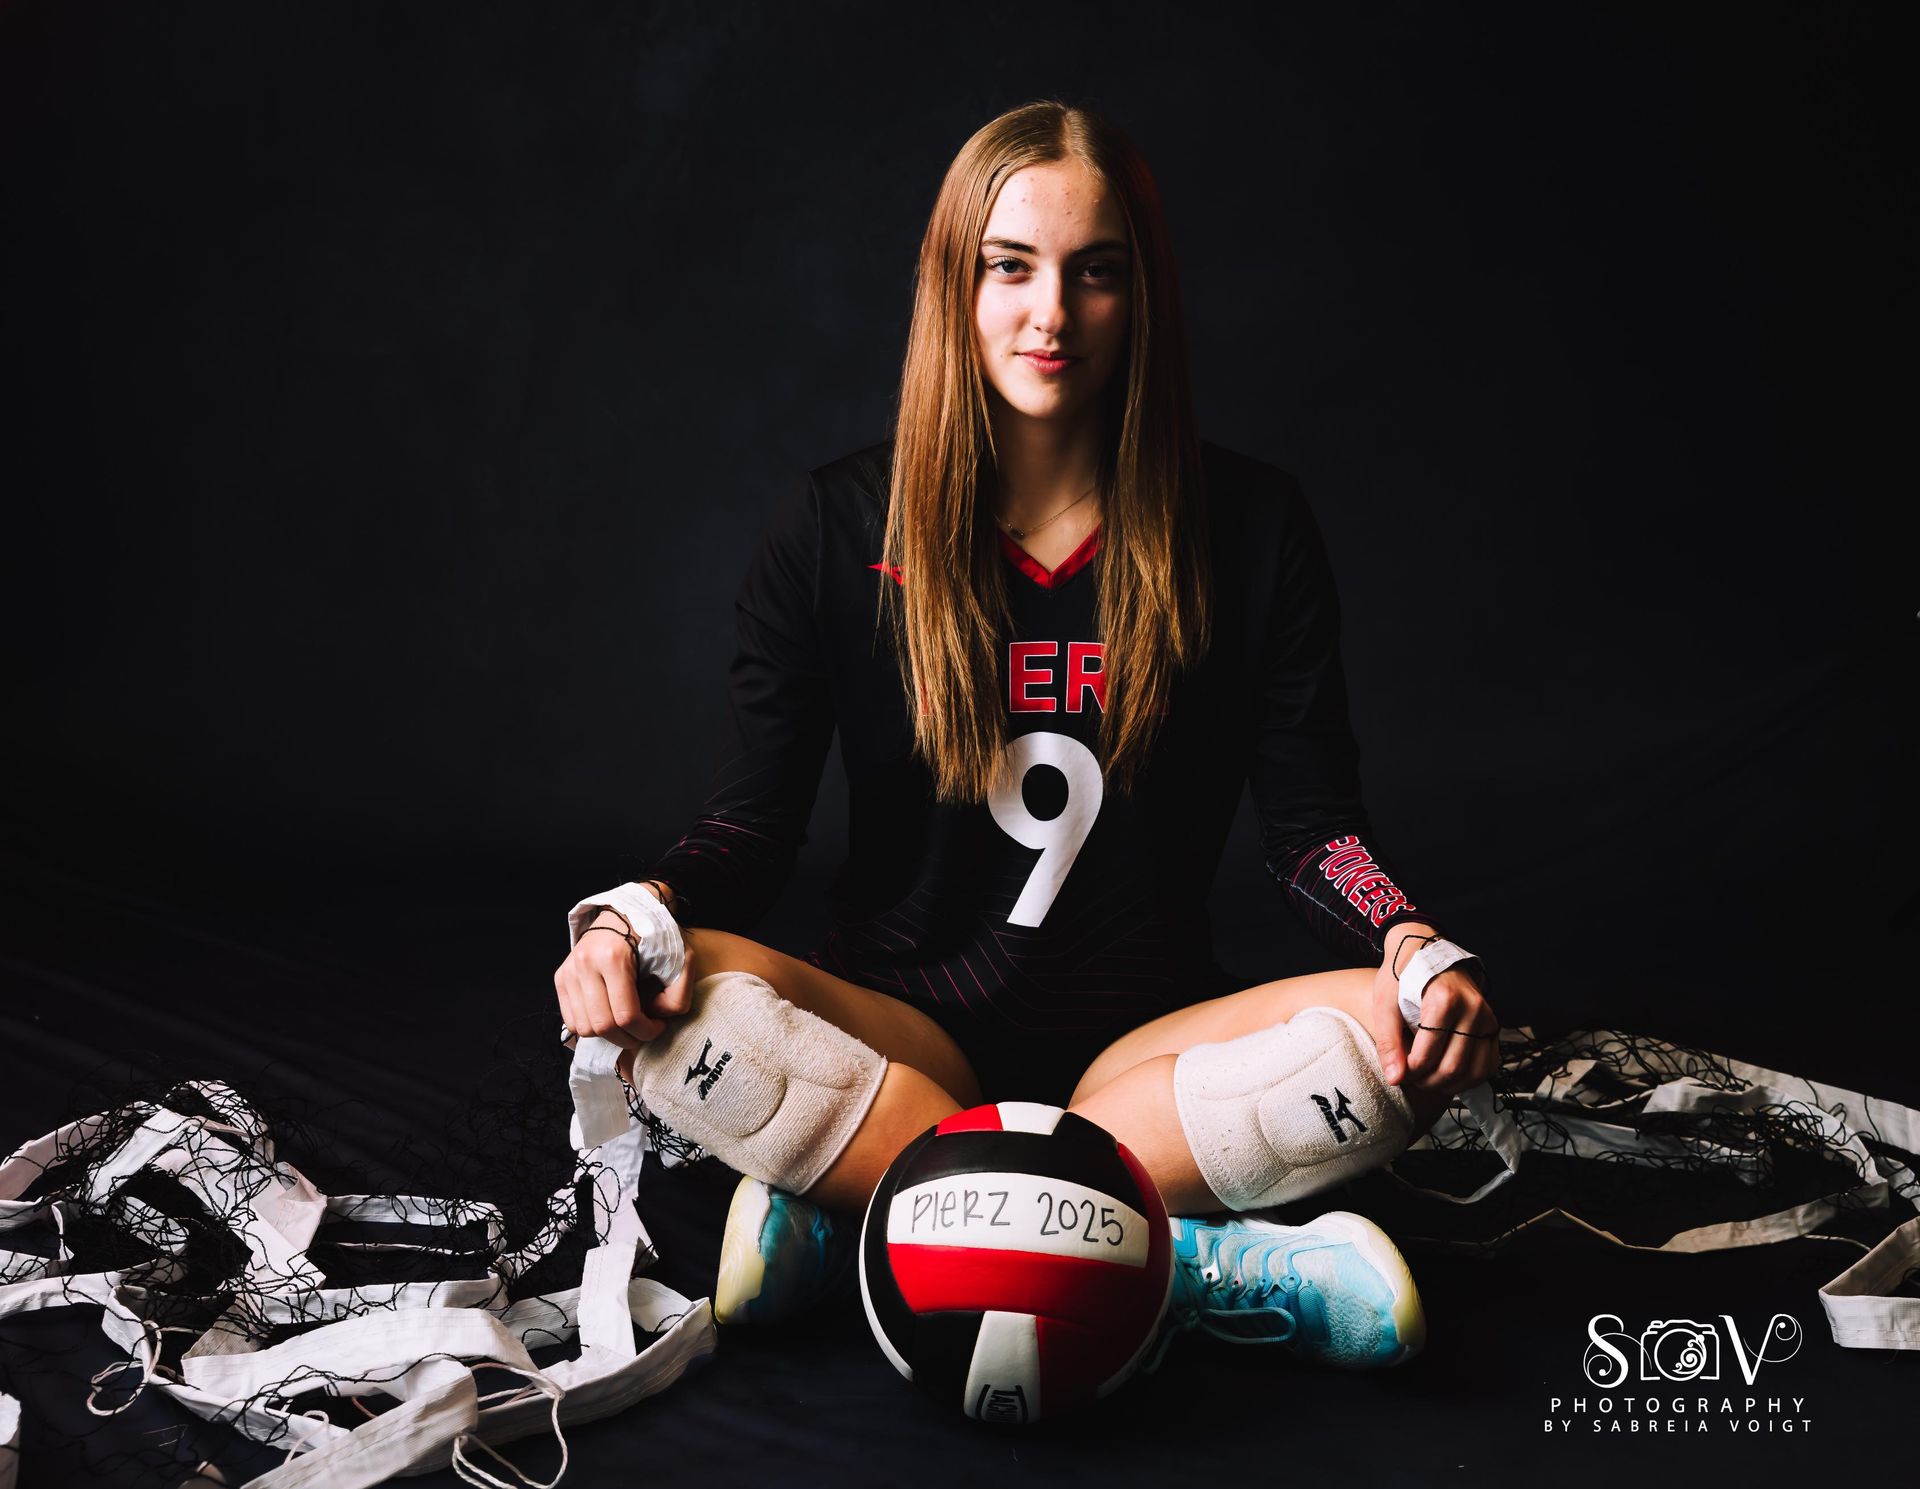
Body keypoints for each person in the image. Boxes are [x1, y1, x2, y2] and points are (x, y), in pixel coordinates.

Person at [552, 98, 1501, 1373]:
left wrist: (1413, 942)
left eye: (1095, 272)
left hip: (1143, 1054)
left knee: (1408, 1034)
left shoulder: (1252, 527)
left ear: (1141, 296)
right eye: (1011, 266)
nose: (1052, 313)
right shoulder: (837, 525)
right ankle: (1190, 1263)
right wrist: (632, 919)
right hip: (902, 1036)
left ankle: (868, 1214)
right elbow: (748, 827)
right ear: (955, 282)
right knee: (669, 1003)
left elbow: (1314, 831)